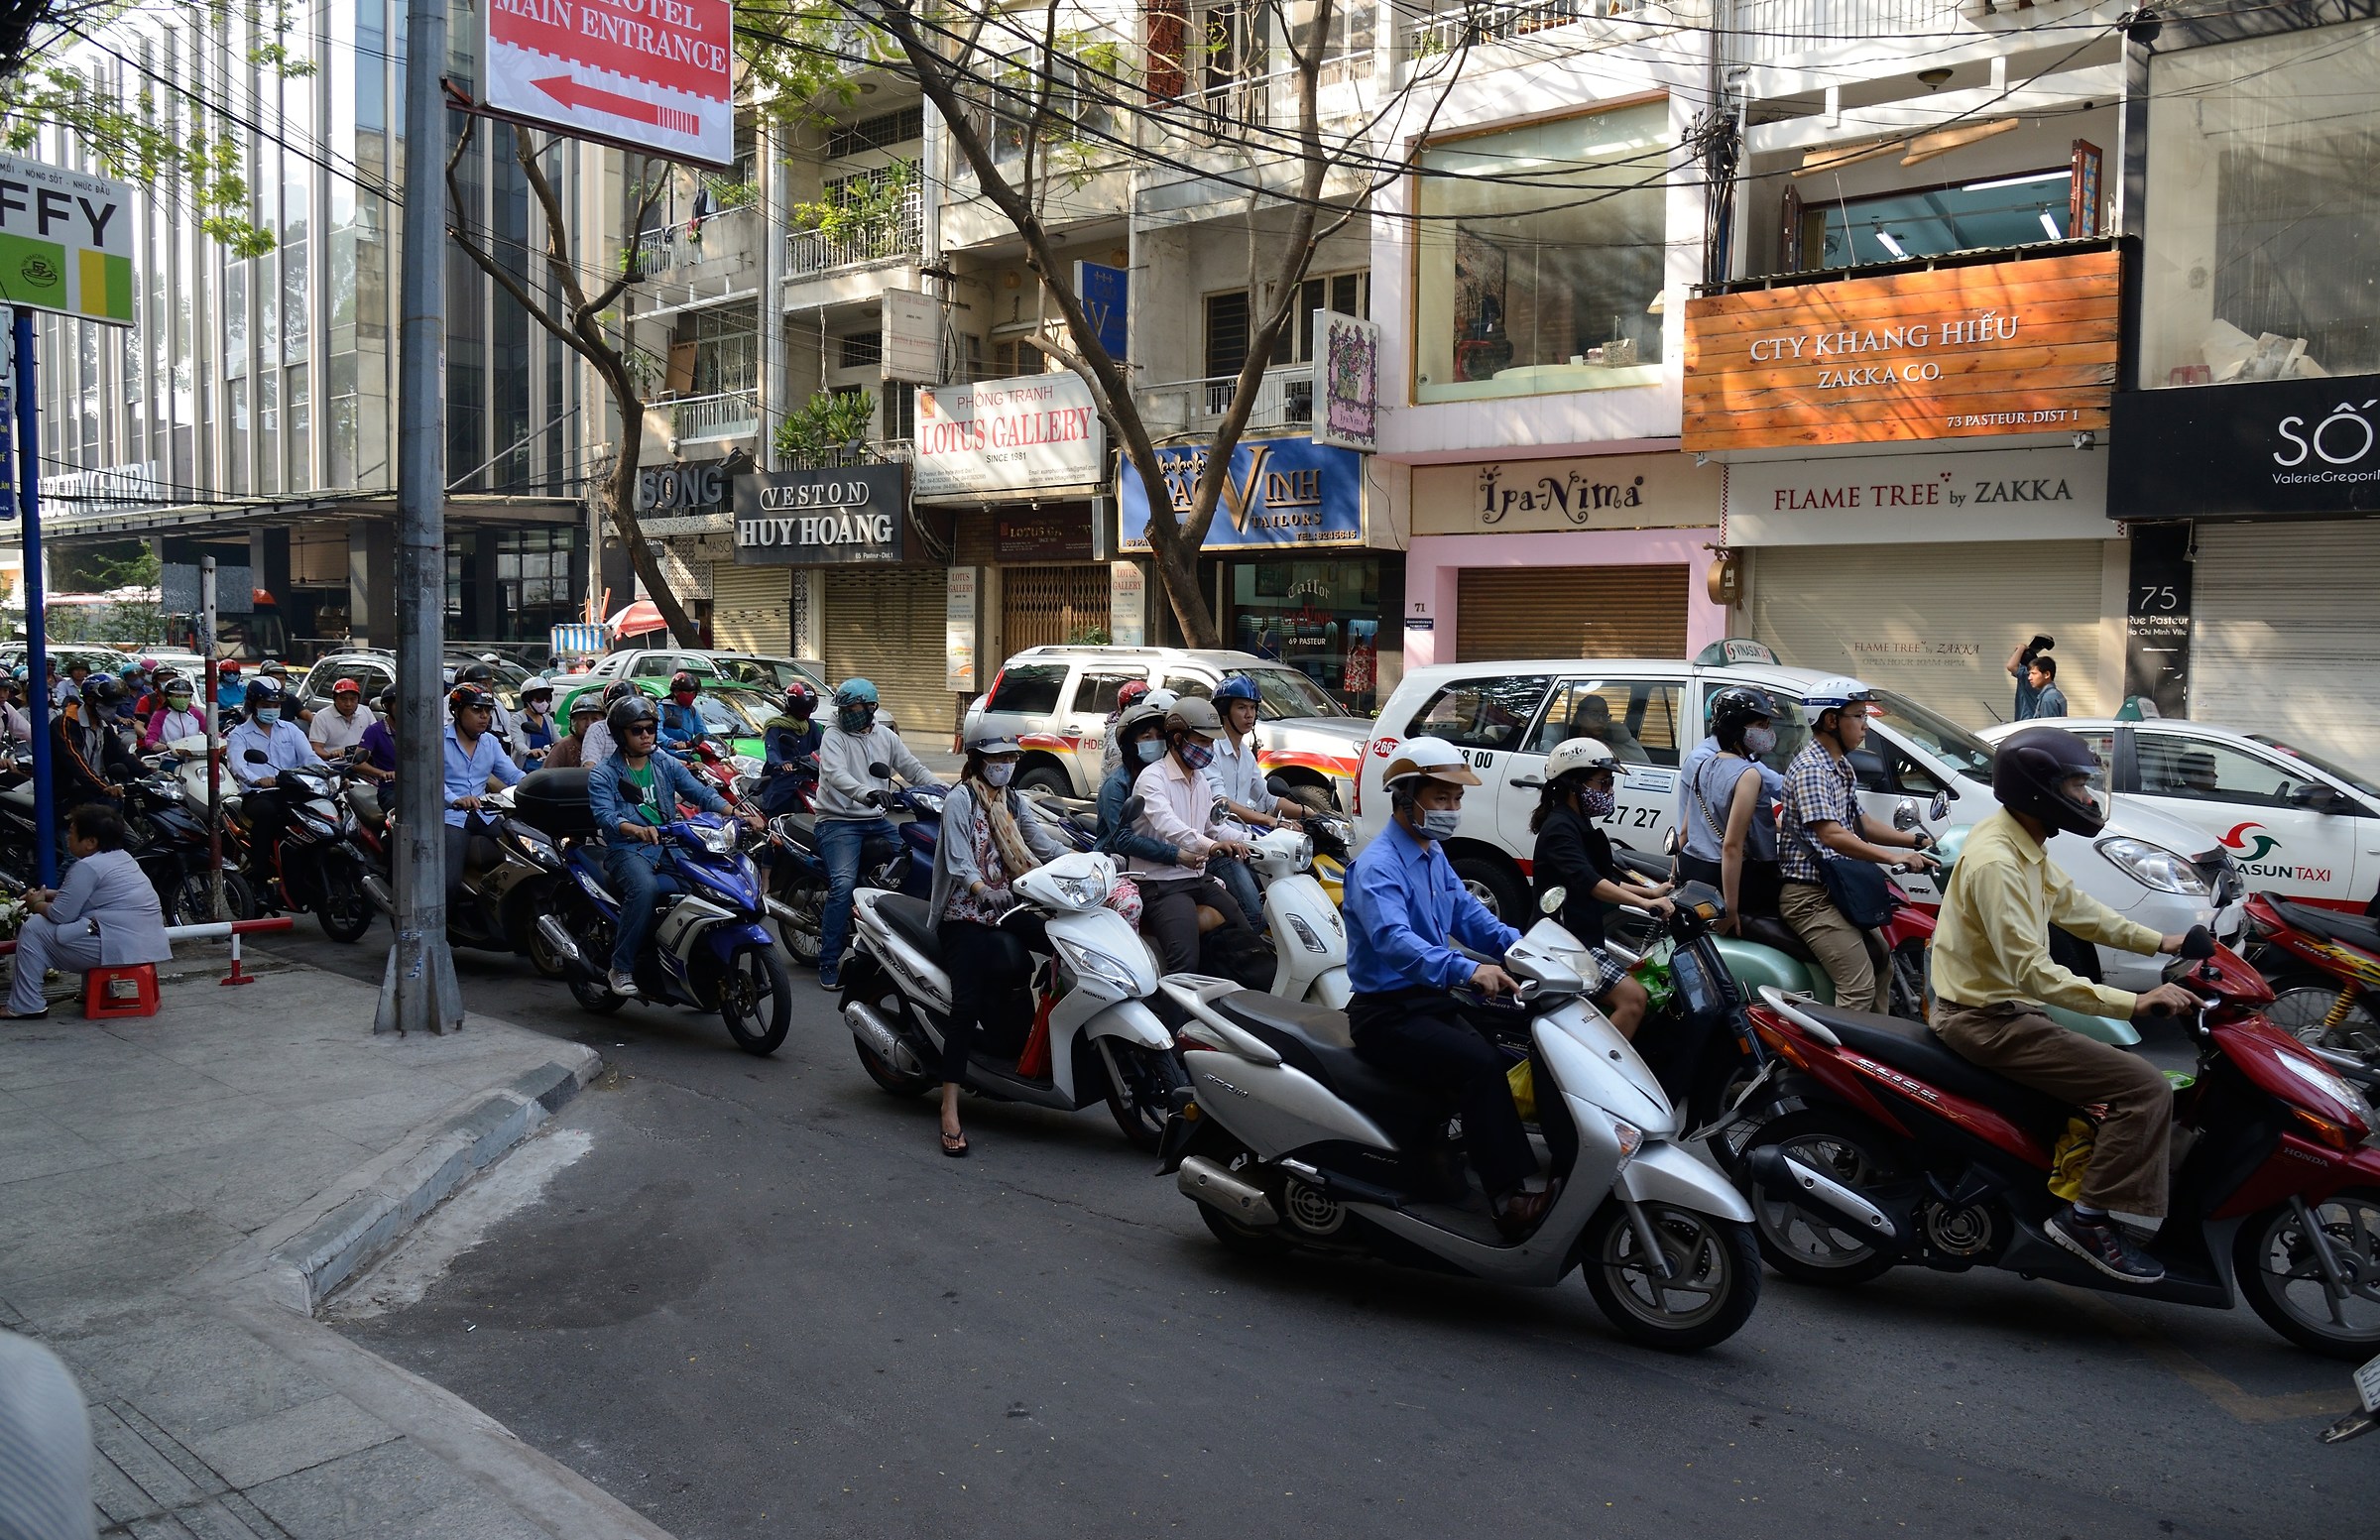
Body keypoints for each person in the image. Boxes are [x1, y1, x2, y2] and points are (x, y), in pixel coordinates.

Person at [1931, 726, 2202, 1283]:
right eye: (2076, 785)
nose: (2084, 797)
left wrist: (2162, 942)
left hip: (2002, 1012)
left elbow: (2075, 908)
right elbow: (2032, 972)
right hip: (1986, 1021)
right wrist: (2134, 1003)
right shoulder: (1999, 863)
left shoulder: (2020, 841)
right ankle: (2086, 1219)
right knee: (2144, 1087)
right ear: (2037, 788)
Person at [1344, 737, 1557, 1237]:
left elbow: (1470, 915)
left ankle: (1442, 1156)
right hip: (1386, 1012)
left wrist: (1528, 951)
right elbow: (1394, 942)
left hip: (1427, 1000)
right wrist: (1466, 970)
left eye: (1456, 799)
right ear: (1405, 798)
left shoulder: (1432, 852)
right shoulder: (1378, 866)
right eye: (1441, 798)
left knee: (1508, 1046)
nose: (1452, 809)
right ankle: (1507, 1199)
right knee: (1480, 1066)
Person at [926, 733, 1072, 1156]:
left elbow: (1040, 844)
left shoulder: (1011, 799)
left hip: (1007, 907)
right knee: (965, 1005)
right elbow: (958, 860)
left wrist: (1089, 857)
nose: (1006, 764)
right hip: (964, 914)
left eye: (1011, 757)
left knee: (1066, 945)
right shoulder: (961, 800)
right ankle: (949, 1107)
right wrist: (980, 888)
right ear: (979, 759)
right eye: (999, 757)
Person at [1776, 677, 1936, 1013]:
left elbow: (1861, 824)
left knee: (1883, 965)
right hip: (1811, 897)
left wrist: (1917, 840)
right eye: (1858, 716)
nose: (1865, 725)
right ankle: (1839, 1063)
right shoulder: (1811, 769)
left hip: (1838, 889)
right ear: (1831, 721)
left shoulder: (1840, 766)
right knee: (1858, 986)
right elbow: (1832, 835)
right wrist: (1894, 857)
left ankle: (1879, 1052)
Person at [588, 695, 756, 998]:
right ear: (620, 734)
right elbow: (605, 816)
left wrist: (737, 812)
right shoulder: (605, 773)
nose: (645, 736)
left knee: (709, 887)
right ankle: (621, 966)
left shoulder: (664, 762)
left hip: (670, 846)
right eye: (637, 730)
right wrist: (636, 829)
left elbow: (699, 792)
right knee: (645, 890)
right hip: (627, 850)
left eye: (650, 728)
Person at [1529, 738, 1670, 1038]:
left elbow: (1602, 878)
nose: (1608, 791)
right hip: (1562, 946)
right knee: (1633, 1000)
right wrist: (1645, 905)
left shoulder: (1578, 824)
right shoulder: (1559, 829)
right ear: (1573, 785)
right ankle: (1601, 1075)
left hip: (1581, 937)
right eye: (1603, 783)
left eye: (1610, 784)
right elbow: (1591, 883)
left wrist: (1651, 892)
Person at [0, 803, 173, 1018]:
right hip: (143, 944)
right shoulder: (122, 858)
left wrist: (36, 904)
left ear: (91, 842)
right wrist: (51, 895)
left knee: (35, 928)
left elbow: (60, 915)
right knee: (86, 924)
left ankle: (26, 1004)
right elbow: (87, 898)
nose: (68, 838)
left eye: (72, 833)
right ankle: (95, 991)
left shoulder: (87, 867)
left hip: (119, 947)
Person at [1127, 698, 1258, 974]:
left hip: (1197, 877)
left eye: (1211, 743)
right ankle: (1175, 1017)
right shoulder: (1153, 779)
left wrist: (1253, 841)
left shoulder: (1199, 780)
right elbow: (1170, 826)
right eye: (1202, 741)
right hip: (1161, 884)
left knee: (1248, 935)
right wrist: (1211, 847)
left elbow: (1213, 825)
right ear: (1177, 738)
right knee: (1185, 962)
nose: (1208, 749)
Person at [815, 678, 930, 991]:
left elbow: (913, 769)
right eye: (845, 709)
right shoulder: (834, 735)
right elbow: (835, 774)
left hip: (875, 819)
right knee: (842, 884)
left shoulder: (885, 736)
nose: (848, 714)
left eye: (854, 708)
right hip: (837, 821)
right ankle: (828, 960)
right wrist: (868, 793)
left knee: (917, 862)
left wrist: (948, 792)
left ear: (871, 708)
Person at [1678, 684, 1785, 933]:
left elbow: (1685, 829)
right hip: (1729, 878)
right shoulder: (1748, 775)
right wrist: (1731, 909)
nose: (1768, 732)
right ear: (1738, 727)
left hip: (1695, 867)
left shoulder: (1704, 763)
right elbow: (1732, 846)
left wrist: (1675, 876)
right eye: (1762, 725)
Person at [1203, 674, 1303, 934]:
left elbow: (1267, 798)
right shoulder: (1210, 750)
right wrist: (1271, 821)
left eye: (1253, 708)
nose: (1249, 715)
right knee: (1256, 914)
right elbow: (1221, 802)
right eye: (1241, 707)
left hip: (1247, 842)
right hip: (1219, 848)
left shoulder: (1245, 754)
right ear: (1224, 711)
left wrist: (1311, 813)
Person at [441, 683, 524, 914]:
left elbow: (513, 774)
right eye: (477, 710)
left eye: (488, 711)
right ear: (457, 711)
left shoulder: (490, 742)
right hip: (451, 817)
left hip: (484, 814)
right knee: (448, 882)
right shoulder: (438, 740)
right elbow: (431, 782)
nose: (484, 716)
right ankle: (439, 931)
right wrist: (455, 799)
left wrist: (536, 787)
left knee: (526, 858)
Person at [1098, 704, 1177, 866]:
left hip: (1154, 862)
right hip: (1117, 864)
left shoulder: (1167, 777)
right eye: (1147, 737)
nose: (1155, 742)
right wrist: (1176, 854)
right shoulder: (1117, 785)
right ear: (1131, 744)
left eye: (1160, 736)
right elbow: (1123, 840)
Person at [53, 678, 138, 813]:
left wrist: (152, 773)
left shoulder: (104, 725)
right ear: (91, 701)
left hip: (97, 791)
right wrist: (104, 786)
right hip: (69, 793)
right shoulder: (66, 723)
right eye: (108, 705)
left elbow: (122, 754)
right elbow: (75, 761)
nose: (112, 710)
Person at [757, 682, 822, 817]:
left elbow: (822, 748)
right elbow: (772, 751)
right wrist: (782, 763)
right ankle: (773, 829)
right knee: (778, 805)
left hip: (807, 776)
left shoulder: (811, 726)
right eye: (802, 708)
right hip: (783, 777)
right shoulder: (775, 726)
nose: (805, 712)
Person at [1571, 693, 1649, 764]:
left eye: (1605, 715)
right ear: (1580, 718)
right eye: (1594, 714)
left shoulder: (1615, 747)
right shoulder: (1573, 751)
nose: (1601, 720)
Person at [307, 678, 374, 759]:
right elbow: (316, 747)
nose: (348, 704)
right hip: (335, 764)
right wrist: (331, 755)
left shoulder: (365, 711)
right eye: (343, 699)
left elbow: (377, 737)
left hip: (362, 762)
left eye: (353, 699)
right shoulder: (322, 717)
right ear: (335, 699)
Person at [143, 675, 206, 751]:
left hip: (195, 754)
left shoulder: (195, 713)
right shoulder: (159, 715)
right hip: (170, 756)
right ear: (168, 697)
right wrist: (155, 744)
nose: (182, 699)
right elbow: (150, 737)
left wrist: (220, 737)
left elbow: (210, 731)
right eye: (177, 696)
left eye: (186, 696)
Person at [541, 694, 602, 770]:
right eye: (584, 718)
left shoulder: (608, 745)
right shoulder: (563, 746)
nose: (589, 724)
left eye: (595, 719)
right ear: (574, 722)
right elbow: (546, 775)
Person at [2005, 633, 2055, 722]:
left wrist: (2021, 648)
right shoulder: (2043, 680)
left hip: (2027, 720)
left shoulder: (2026, 675)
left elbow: (2011, 666)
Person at [512, 677, 559, 767]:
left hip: (547, 767)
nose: (544, 703)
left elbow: (559, 741)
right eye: (539, 699)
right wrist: (529, 752)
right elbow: (518, 742)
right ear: (527, 699)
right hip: (526, 769)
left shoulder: (548, 719)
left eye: (547, 699)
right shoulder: (517, 718)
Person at [355, 688, 399, 785]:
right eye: (398, 705)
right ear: (387, 706)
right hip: (391, 788)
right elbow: (358, 764)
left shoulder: (419, 730)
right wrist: (383, 773)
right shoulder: (374, 731)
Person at [658, 670, 708, 754]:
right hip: (668, 757)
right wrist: (672, 743)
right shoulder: (662, 709)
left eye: (693, 693)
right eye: (688, 692)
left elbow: (703, 733)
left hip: (688, 756)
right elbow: (657, 733)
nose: (691, 695)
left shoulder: (691, 710)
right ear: (676, 692)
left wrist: (722, 745)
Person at [2020, 653, 2070, 720]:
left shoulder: (2048, 698)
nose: (2029, 678)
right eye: (2029, 674)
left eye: (2034, 673)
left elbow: (2047, 728)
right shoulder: (2056, 694)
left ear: (2047, 674)